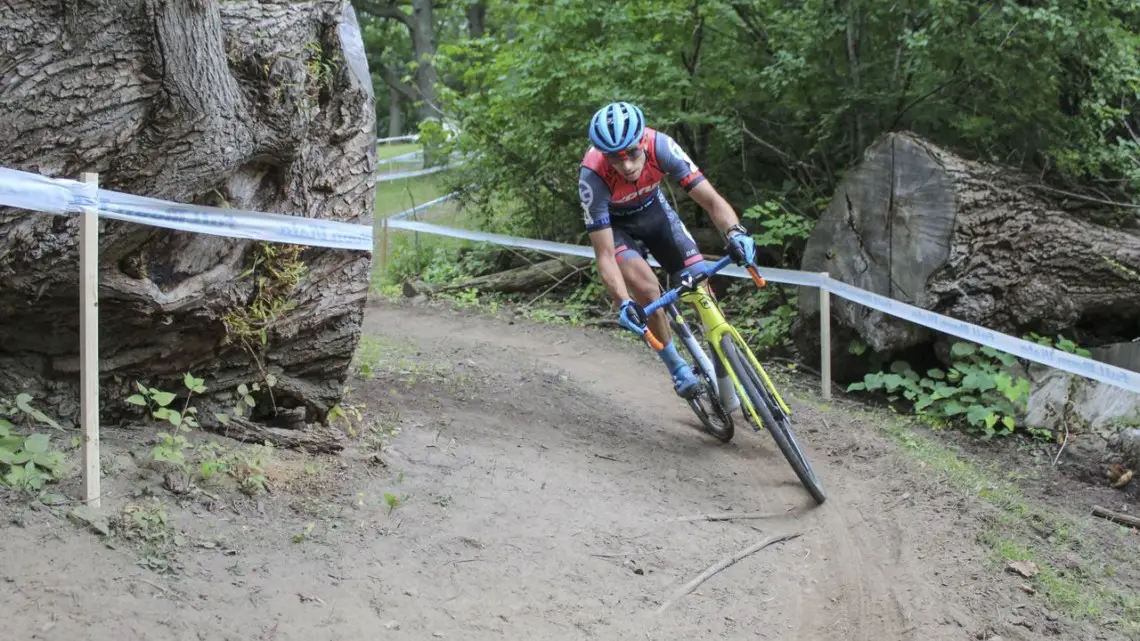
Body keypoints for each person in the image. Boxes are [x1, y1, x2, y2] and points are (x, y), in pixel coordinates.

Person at [578, 101, 756, 409]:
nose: (627, 165)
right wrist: (623, 302)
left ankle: (725, 373)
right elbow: (605, 254)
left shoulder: (662, 147)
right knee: (647, 291)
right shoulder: (593, 177)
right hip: (617, 229)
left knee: (702, 290)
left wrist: (735, 233)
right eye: (614, 158)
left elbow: (712, 201)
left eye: (632, 153)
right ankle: (676, 365)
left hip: (655, 215)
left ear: (642, 142)